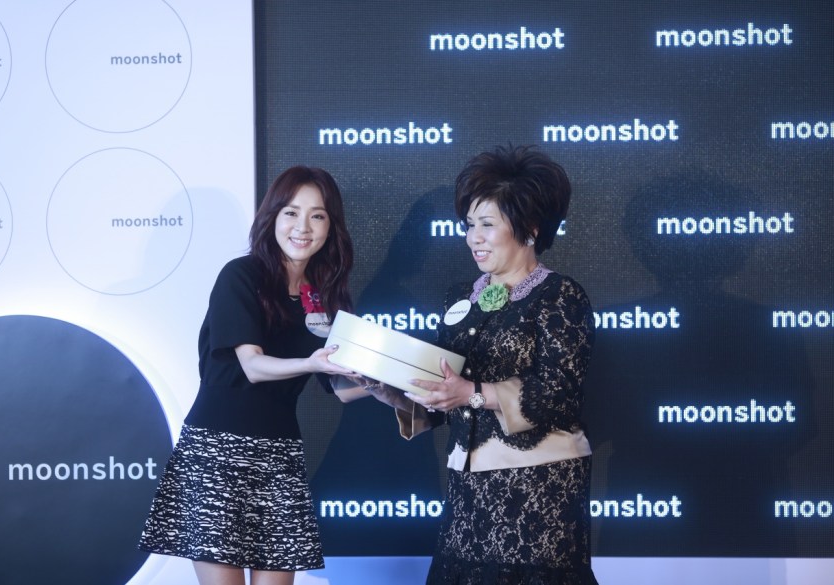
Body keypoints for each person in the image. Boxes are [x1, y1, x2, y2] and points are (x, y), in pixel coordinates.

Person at [370, 145, 599, 584]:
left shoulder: (560, 295)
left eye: (487, 224)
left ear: (530, 228)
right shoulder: (459, 298)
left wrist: (473, 393)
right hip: (467, 490)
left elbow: (559, 392)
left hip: (538, 490)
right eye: (469, 224)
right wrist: (388, 389)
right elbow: (445, 395)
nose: (473, 237)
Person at [138, 166, 367, 585]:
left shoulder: (325, 294)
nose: (303, 227)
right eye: (291, 213)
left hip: (279, 458)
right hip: (217, 453)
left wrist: (392, 386)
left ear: (331, 226)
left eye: (317, 216)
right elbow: (253, 365)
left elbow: (341, 386)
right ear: (272, 217)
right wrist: (311, 362)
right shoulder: (241, 275)